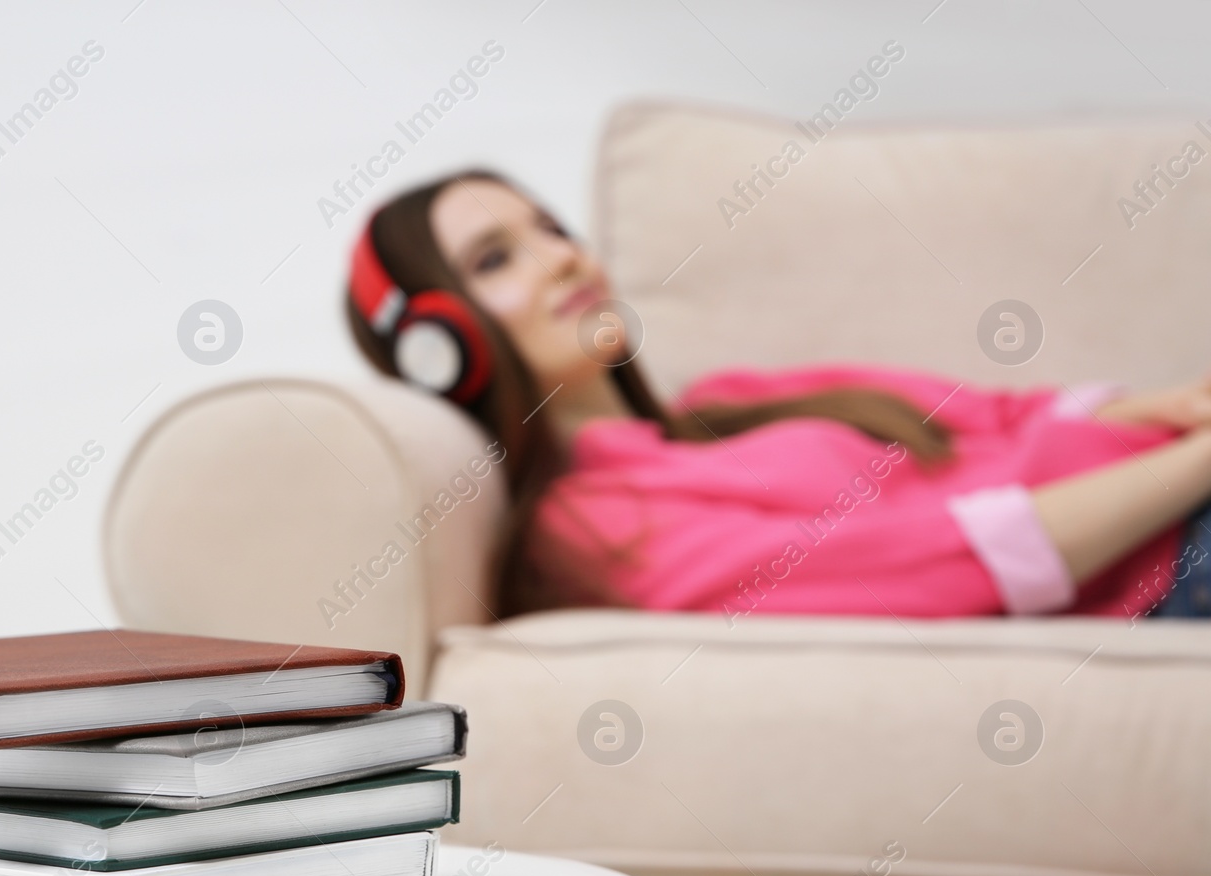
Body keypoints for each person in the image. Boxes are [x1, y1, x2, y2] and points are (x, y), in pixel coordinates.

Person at [345, 170, 1211, 621]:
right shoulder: (593, 522)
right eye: (497, 259)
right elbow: (949, 566)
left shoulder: (733, 401)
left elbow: (1003, 417)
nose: (565, 256)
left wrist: (1179, 408)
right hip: (1174, 562)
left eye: (552, 228)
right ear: (438, 346)